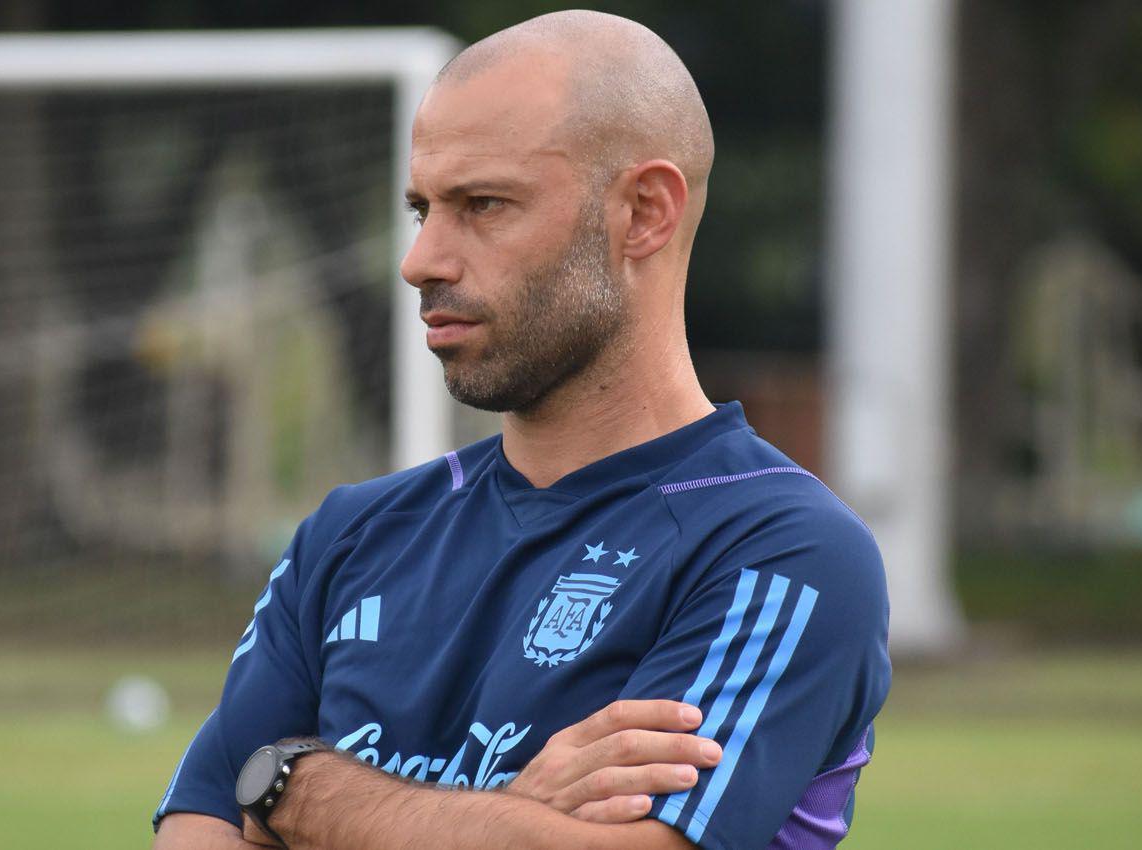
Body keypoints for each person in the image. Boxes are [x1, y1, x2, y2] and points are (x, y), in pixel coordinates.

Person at [152, 10, 889, 850]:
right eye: (422, 207)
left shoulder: (779, 548)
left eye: (483, 204)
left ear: (645, 213)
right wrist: (513, 813)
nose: (421, 259)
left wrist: (302, 790)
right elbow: (195, 833)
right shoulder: (350, 535)